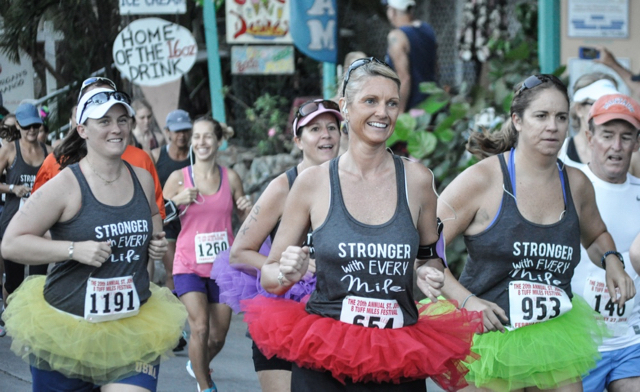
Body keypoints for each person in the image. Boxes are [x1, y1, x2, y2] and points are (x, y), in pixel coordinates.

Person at [243, 58, 482, 392]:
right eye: (370, 101)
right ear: (345, 106)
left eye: (392, 103)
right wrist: (285, 272)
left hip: (398, 352)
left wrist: (428, 270)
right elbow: (270, 278)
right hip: (326, 353)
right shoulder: (312, 183)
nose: (382, 113)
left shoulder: (416, 180)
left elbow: (430, 257)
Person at [439, 74, 635, 391]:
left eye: (560, 117)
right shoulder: (482, 180)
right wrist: (467, 301)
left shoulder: (576, 183)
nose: (553, 127)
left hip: (553, 335)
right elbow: (424, 249)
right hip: (490, 338)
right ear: (517, 120)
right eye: (541, 116)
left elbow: (597, 235)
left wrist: (612, 261)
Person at [0, 88, 187, 391]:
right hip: (68, 329)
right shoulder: (66, 184)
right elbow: (11, 242)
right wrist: (74, 249)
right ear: (83, 129)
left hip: (132, 325)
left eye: (122, 119)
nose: (117, 128)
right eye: (105, 121)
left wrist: (153, 240)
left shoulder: (141, 177)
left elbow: (155, 215)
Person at [219, 99, 342, 392]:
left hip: (334, 314)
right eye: (315, 129)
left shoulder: (348, 184)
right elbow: (238, 254)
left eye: (332, 128)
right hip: (283, 316)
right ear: (298, 140)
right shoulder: (282, 187)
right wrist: (283, 267)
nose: (326, 135)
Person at [163, 116, 252, 392]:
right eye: (197, 136)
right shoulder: (179, 179)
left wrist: (247, 207)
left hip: (222, 268)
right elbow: (158, 217)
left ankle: (197, 363)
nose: (201, 142)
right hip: (188, 264)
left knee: (218, 336)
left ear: (219, 141)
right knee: (199, 328)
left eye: (208, 136)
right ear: (192, 141)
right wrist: (175, 202)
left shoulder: (231, 178)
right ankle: (206, 386)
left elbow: (247, 220)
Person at [569, 93, 640, 392]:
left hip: (631, 339)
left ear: (637, 143)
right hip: (576, 340)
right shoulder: (568, 185)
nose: (617, 146)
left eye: (626, 137)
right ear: (589, 137)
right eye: (607, 135)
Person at [0, 103, 52, 305]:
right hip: (14, 224)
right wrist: (12, 188)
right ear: (19, 126)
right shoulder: (9, 150)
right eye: (27, 126)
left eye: (36, 126)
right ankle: (13, 324)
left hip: (41, 225)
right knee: (14, 281)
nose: (32, 130)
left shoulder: (49, 152)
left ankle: (34, 328)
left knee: (39, 280)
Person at [151, 109, 193, 292]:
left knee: (193, 272)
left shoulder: (197, 156)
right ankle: (175, 317)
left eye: (185, 130)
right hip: (166, 221)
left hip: (192, 221)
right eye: (177, 131)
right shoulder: (155, 156)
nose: (181, 135)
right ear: (167, 131)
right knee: (173, 271)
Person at [384, 0, 437, 113]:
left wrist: (399, 112)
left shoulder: (397, 37)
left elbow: (404, 78)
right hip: (432, 104)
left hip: (412, 110)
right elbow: (436, 67)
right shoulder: (427, 29)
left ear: (392, 11)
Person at [558, 73, 618, 166]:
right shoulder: (559, 152)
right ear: (579, 109)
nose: (607, 110)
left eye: (612, 104)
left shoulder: (629, 155)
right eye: (598, 104)